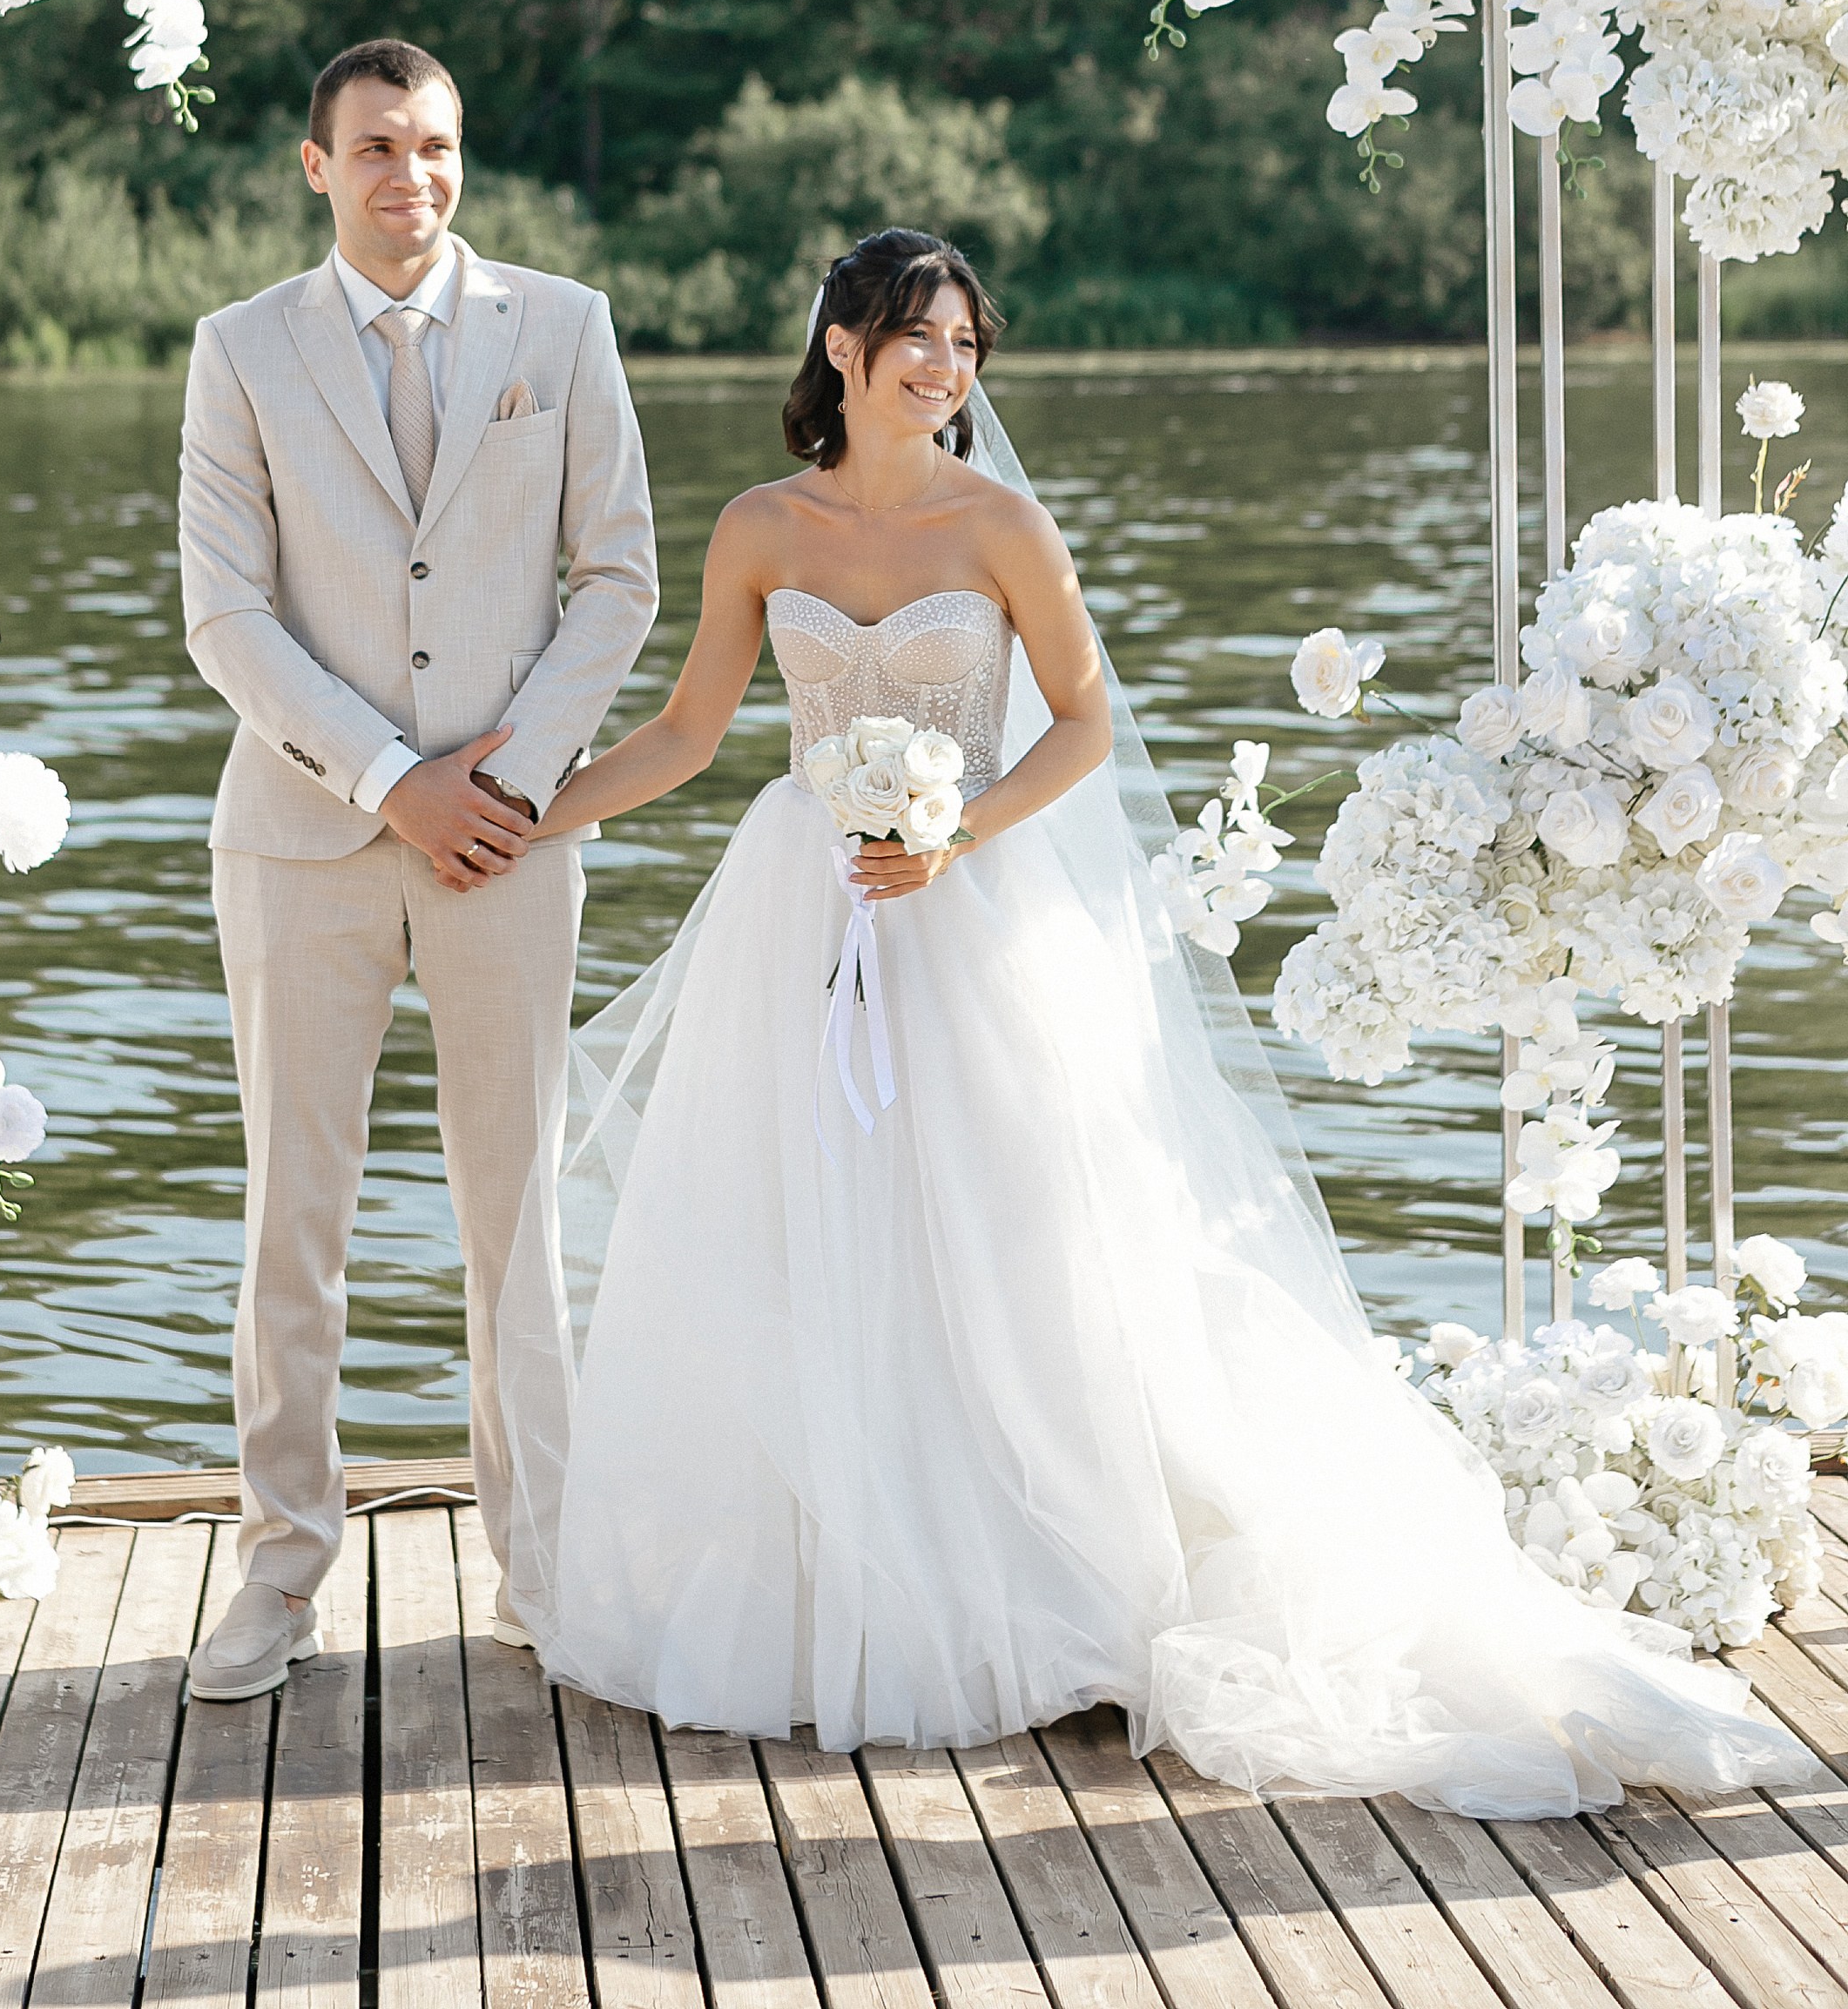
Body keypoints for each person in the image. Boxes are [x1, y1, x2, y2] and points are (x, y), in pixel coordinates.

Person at [496, 224, 1803, 1815]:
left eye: (969, 345)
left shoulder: (1005, 525)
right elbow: (697, 728)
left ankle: (1036, 1571)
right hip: (805, 907)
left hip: (965, 909)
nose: (947, 367)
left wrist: (953, 830)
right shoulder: (761, 526)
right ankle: (830, 1590)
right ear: (842, 346)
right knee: (804, 1228)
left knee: (1009, 1239)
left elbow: (1089, 727)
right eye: (919, 336)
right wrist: (521, 810)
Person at [177, 37, 657, 1699]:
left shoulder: (564, 328)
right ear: (319, 166)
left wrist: (501, 784)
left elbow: (618, 581)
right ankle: (278, 1578)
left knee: (515, 1217)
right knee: (291, 1221)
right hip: (302, 840)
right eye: (377, 147)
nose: (413, 177)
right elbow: (226, 617)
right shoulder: (239, 351)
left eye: (437, 146)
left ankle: (540, 1563)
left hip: (508, 851)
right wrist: (394, 782)